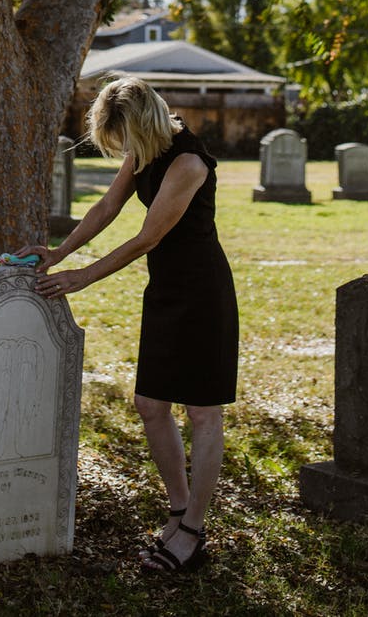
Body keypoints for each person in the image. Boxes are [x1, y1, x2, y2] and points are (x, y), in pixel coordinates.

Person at [19, 75, 238, 576]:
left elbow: (146, 238)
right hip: (166, 291)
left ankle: (194, 534)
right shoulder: (147, 147)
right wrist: (58, 252)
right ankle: (179, 510)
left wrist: (83, 277)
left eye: (124, 139)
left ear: (143, 122)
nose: (124, 151)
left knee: (203, 414)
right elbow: (107, 206)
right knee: (150, 405)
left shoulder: (186, 161)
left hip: (203, 293)